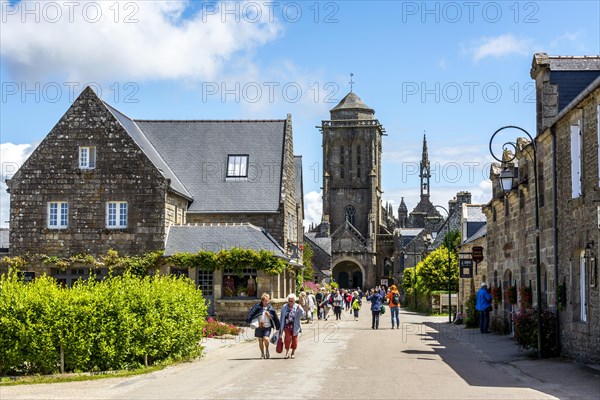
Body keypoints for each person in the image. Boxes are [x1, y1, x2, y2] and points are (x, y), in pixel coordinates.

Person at [246, 293, 280, 359]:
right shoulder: (257, 306)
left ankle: (267, 350)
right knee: (260, 340)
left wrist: (269, 316)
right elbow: (251, 312)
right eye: (266, 301)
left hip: (268, 326)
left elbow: (275, 317)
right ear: (262, 300)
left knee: (266, 339)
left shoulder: (270, 307)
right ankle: (262, 353)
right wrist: (248, 319)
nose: (267, 302)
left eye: (268, 300)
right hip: (259, 326)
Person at [279, 293, 305, 359]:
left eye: (292, 301)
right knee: (287, 339)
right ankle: (287, 353)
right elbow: (282, 317)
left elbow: (303, 315)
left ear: (294, 301)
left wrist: (301, 309)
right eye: (289, 301)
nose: (290, 302)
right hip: (287, 326)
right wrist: (280, 327)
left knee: (294, 340)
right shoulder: (284, 307)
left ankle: (293, 353)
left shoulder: (297, 306)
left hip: (295, 326)